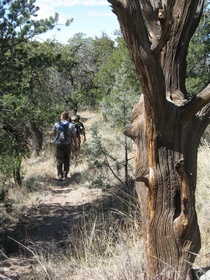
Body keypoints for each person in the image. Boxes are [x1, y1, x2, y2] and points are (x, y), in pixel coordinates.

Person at [52, 111, 78, 181]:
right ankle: (65, 174)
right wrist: (76, 146)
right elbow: (74, 136)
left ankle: (60, 175)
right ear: (67, 117)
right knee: (67, 159)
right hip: (68, 144)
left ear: (63, 117)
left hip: (58, 144)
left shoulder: (56, 124)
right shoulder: (71, 125)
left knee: (59, 159)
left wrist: (56, 139)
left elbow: (53, 133)